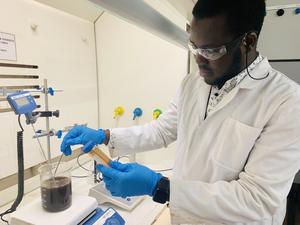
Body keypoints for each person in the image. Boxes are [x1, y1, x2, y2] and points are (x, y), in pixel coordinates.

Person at [61, 0, 300, 224]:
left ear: (248, 41)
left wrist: (160, 187)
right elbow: (163, 130)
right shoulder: (192, 83)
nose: (198, 60)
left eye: (210, 51)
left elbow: (258, 200)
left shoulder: (286, 101)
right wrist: (105, 135)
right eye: (194, 46)